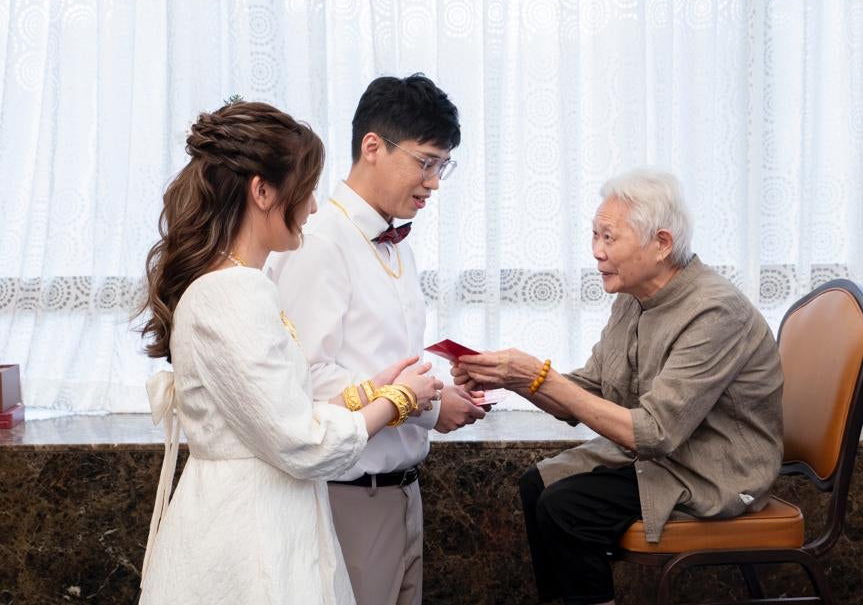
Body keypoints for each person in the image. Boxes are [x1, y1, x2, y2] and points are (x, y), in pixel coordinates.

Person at [136, 100, 442, 605]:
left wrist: (371, 390)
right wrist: (399, 401)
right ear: (262, 192)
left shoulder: (237, 286)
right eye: (306, 189)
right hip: (249, 534)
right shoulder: (234, 292)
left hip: (258, 515)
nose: (314, 207)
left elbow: (278, 411)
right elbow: (302, 442)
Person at [453, 169, 785, 605]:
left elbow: (654, 433)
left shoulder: (715, 311)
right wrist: (509, 378)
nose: (596, 251)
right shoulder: (633, 298)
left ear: (661, 243)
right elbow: (589, 390)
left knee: (567, 507)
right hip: (665, 457)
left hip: (713, 469)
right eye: (594, 235)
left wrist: (538, 376)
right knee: (538, 484)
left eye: (609, 238)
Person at [267, 73, 486, 605]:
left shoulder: (395, 242)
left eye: (442, 166)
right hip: (348, 495)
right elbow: (307, 377)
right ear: (372, 147)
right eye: (426, 162)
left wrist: (443, 389)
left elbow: (381, 359)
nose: (434, 182)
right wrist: (430, 408)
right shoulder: (319, 241)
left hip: (403, 490)